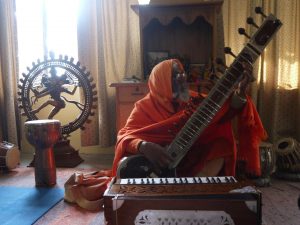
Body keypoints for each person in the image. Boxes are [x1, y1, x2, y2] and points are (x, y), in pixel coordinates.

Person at [112, 58, 267, 178]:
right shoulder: (143, 107)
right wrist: (144, 145)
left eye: (182, 72)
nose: (182, 77)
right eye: (175, 74)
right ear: (161, 81)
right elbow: (125, 136)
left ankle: (195, 186)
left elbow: (223, 113)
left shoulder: (193, 100)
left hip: (191, 159)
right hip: (157, 165)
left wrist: (240, 91)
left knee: (222, 140)